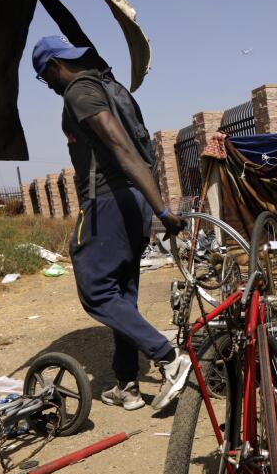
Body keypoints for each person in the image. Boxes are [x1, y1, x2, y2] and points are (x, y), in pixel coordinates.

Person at [32, 34, 190, 411]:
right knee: (123, 295)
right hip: (133, 204)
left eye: (45, 77)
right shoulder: (107, 83)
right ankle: (126, 385)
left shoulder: (77, 92)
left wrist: (164, 210)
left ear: (55, 66)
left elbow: (122, 149)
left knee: (98, 293)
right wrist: (152, 208)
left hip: (108, 203)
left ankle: (170, 359)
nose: (50, 86)